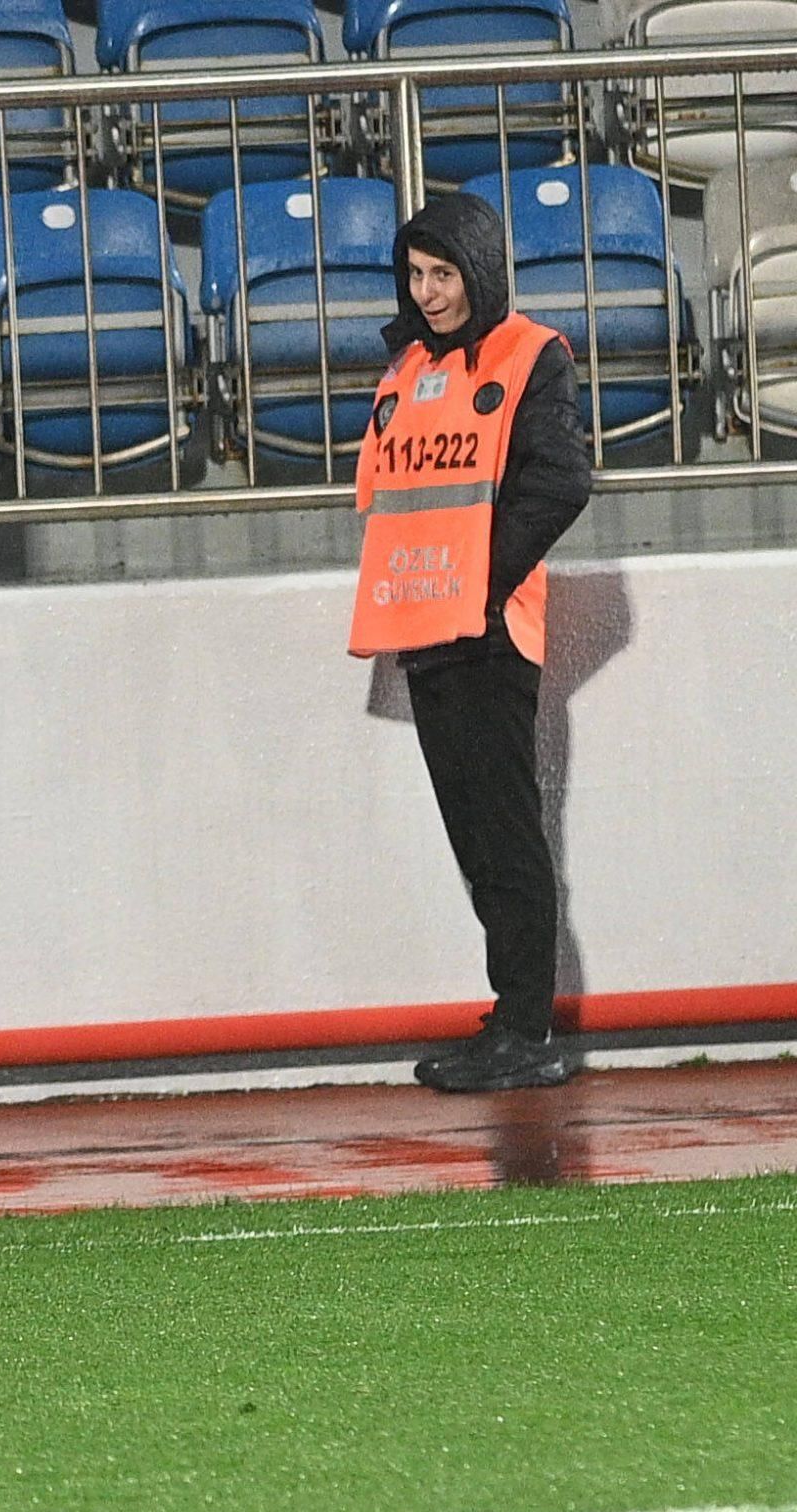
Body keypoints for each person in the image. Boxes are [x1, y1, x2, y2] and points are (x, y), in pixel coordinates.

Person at [349, 192, 592, 1093]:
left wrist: (476, 584)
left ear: (480, 272)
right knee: (477, 839)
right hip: (426, 634)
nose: (429, 292)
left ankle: (527, 1028)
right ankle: (511, 1018)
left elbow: (564, 481)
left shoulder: (533, 356)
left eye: (444, 274)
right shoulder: (405, 369)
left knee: (508, 831)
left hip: (487, 632)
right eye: (416, 275)